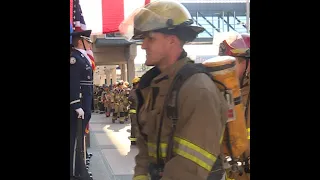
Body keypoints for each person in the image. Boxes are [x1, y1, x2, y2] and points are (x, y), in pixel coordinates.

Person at [119, 1, 229, 179]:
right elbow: (146, 149)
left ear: (172, 40)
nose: (143, 45)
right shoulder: (153, 86)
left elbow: (190, 166)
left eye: (150, 38)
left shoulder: (197, 88)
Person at [70, 29, 94, 179]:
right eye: (88, 41)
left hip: (84, 105)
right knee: (74, 140)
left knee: (80, 139)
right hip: (78, 107)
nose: (90, 43)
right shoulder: (74, 58)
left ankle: (79, 169)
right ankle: (73, 172)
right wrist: (76, 104)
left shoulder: (82, 57)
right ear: (80, 41)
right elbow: (72, 82)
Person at [128, 77, 140, 145]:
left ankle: (136, 139)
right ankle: (133, 140)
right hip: (134, 111)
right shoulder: (133, 91)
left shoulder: (137, 91)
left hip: (137, 111)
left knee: (137, 126)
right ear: (136, 84)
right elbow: (131, 99)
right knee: (134, 126)